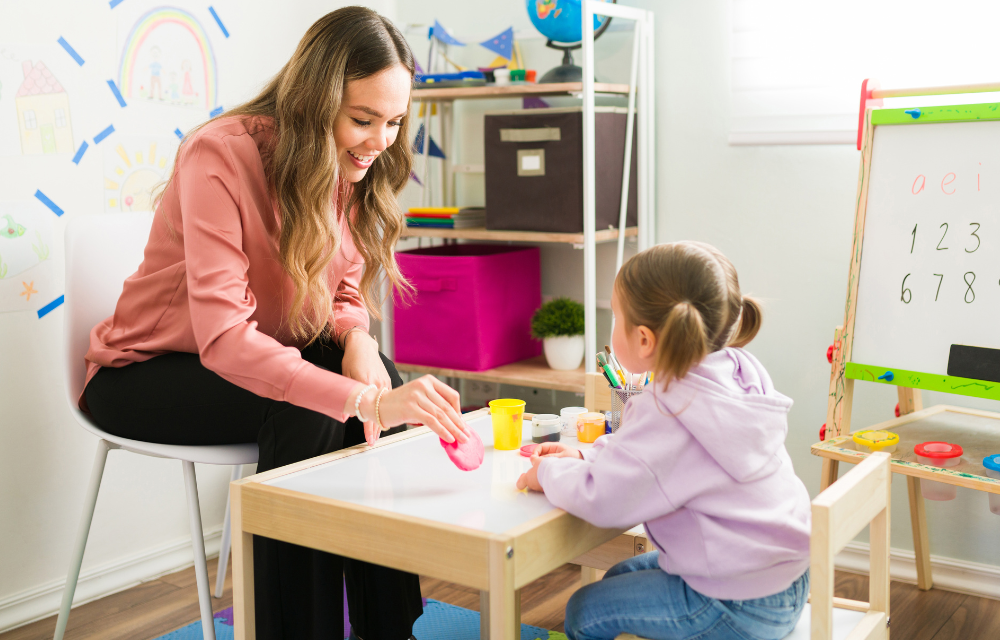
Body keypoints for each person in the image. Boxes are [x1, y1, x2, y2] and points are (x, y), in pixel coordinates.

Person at [81, 7, 466, 640]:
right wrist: (363, 397)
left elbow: (342, 282)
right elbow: (226, 339)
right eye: (363, 120)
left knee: (377, 383)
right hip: (145, 372)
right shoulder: (220, 155)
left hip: (248, 355)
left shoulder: (344, 163)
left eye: (394, 122)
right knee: (319, 409)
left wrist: (358, 339)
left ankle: (389, 628)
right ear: (316, 105)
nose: (380, 141)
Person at [516, 242, 811, 640]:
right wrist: (584, 453)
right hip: (783, 581)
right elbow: (648, 454)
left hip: (733, 603)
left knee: (584, 613)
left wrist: (548, 472)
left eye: (616, 319)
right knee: (619, 574)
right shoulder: (733, 372)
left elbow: (605, 499)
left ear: (644, 340)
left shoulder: (670, 407)